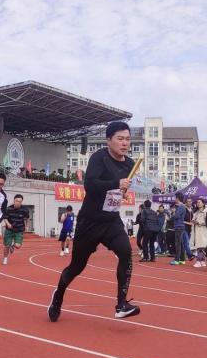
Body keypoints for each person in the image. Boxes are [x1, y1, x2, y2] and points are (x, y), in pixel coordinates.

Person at [48, 122, 139, 322]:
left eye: (127, 139)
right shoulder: (99, 158)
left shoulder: (130, 164)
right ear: (109, 140)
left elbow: (117, 190)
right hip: (90, 222)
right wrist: (116, 184)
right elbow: (90, 185)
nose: (125, 143)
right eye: (120, 139)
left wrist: (121, 193)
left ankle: (121, 304)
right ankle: (58, 296)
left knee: (126, 252)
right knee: (77, 267)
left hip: (111, 219)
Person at [2, 194, 29, 265]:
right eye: (17, 201)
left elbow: (26, 218)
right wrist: (8, 224)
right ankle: (5, 258)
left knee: (18, 246)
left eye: (20, 201)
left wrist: (26, 226)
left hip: (19, 230)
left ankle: (13, 246)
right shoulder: (8, 209)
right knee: (7, 246)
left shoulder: (25, 210)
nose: (18, 203)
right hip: (9, 230)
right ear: (14, 201)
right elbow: (5, 218)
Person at [170, 192, 187, 265]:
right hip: (179, 226)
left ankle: (177, 259)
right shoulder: (181, 206)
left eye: (175, 198)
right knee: (180, 243)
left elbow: (176, 216)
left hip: (179, 226)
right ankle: (182, 259)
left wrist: (174, 212)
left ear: (177, 198)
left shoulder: (181, 207)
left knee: (178, 243)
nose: (174, 199)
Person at [190, 198, 207, 267]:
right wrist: (194, 221)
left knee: (201, 246)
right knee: (199, 246)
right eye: (197, 202)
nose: (198, 204)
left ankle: (199, 260)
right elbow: (193, 220)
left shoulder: (206, 211)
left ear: (203, 203)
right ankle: (202, 261)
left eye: (199, 202)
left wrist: (200, 223)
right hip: (196, 230)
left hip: (203, 230)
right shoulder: (196, 212)